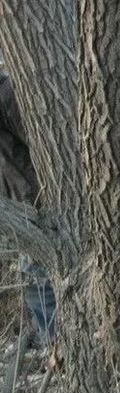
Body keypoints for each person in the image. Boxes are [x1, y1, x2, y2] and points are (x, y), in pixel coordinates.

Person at [0, 69, 56, 344]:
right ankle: (55, 347)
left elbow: (44, 148)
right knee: (35, 285)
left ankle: (63, 349)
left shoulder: (8, 92)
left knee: (43, 286)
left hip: (39, 207)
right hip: (19, 212)